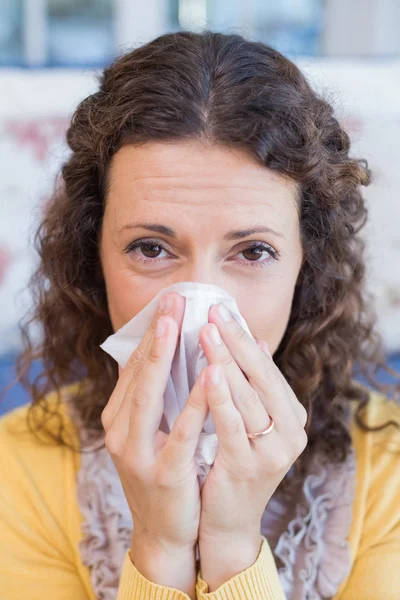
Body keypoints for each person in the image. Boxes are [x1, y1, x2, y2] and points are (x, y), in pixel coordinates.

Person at [1, 30, 399, 600]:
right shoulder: (13, 472)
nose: (199, 306)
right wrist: (159, 548)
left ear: (305, 268)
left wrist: (234, 545)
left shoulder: (389, 478)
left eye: (253, 251)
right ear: (95, 259)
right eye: (151, 248)